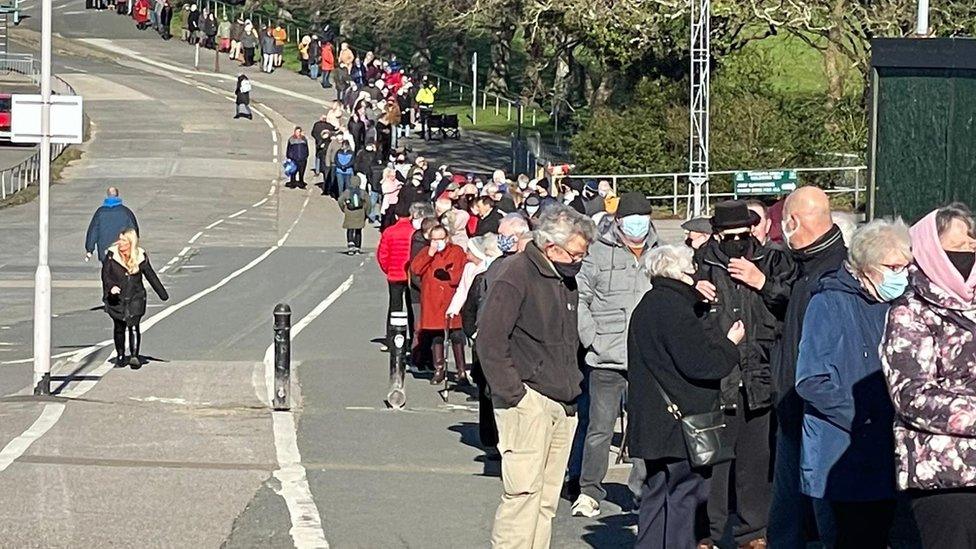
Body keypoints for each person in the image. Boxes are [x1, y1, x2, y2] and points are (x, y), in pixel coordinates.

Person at [478, 205, 596, 548]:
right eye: (576, 253)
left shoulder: (564, 279)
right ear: (550, 247)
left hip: (563, 400)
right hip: (528, 400)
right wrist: (516, 395)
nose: (580, 260)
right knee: (522, 496)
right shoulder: (515, 275)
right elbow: (490, 340)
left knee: (545, 501)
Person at [793, 218, 911, 549]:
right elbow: (810, 380)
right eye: (892, 266)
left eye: (905, 266)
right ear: (866, 265)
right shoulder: (829, 302)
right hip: (843, 451)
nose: (900, 274)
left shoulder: (895, 305)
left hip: (887, 447)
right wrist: (860, 417)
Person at [693, 200, 795, 549]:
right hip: (717, 372)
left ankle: (754, 530)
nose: (737, 241)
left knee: (755, 459)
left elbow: (791, 301)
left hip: (759, 371)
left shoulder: (773, 259)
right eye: (729, 235)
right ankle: (710, 531)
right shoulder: (702, 262)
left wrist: (762, 282)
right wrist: (693, 290)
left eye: (743, 233)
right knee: (715, 460)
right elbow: (681, 310)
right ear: (717, 234)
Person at [627, 244, 743, 549]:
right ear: (677, 272)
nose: (695, 273)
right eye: (691, 268)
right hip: (681, 424)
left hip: (653, 422)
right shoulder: (675, 308)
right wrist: (730, 344)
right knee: (685, 499)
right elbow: (702, 364)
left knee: (655, 494)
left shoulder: (647, 305)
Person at [883, 203, 976, 549]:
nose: (969, 254)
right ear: (933, 254)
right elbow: (912, 395)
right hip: (947, 476)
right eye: (958, 249)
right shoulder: (910, 312)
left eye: (973, 247)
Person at [768, 186, 846, 548]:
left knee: (825, 514)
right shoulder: (805, 268)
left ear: (792, 222)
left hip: (818, 412)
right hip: (792, 406)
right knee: (789, 515)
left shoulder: (834, 273)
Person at [572, 193, 657, 518]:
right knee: (599, 429)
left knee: (643, 431)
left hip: (646, 360)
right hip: (604, 358)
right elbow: (581, 296)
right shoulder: (597, 251)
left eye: (644, 216)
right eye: (631, 217)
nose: (638, 223)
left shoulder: (659, 251)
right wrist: (591, 338)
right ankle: (589, 490)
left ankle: (641, 493)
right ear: (618, 221)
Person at [101, 229, 168, 368]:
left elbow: (150, 275)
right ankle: (120, 355)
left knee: (133, 324)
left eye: (124, 240)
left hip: (135, 296)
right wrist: (111, 287)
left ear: (131, 242)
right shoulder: (111, 255)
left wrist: (162, 294)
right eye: (119, 239)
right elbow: (105, 275)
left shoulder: (140, 256)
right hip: (117, 298)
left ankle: (134, 356)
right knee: (119, 326)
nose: (120, 243)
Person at [411, 224, 468, 385]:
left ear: (447, 238)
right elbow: (415, 269)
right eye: (433, 239)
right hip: (432, 300)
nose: (437, 243)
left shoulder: (456, 251)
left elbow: (463, 272)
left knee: (456, 334)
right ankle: (439, 369)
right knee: (436, 335)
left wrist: (449, 275)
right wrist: (429, 254)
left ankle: (461, 371)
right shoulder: (426, 252)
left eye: (440, 239)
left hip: (450, 299)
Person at [377, 201, 417, 346]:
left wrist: (387, 268)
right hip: (411, 275)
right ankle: (413, 339)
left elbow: (382, 254)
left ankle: (392, 338)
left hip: (394, 274)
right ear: (411, 216)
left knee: (394, 307)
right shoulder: (414, 232)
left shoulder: (389, 232)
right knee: (412, 307)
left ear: (396, 215)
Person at [86, 187, 139, 262]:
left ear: (107, 195)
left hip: (104, 248)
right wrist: (134, 245)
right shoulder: (126, 212)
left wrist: (90, 249)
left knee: (107, 270)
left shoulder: (100, 212)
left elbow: (93, 231)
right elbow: (133, 229)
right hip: (122, 247)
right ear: (117, 195)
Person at [338, 175, 371, 255]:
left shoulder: (347, 192)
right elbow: (368, 203)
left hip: (349, 212)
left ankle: (350, 245)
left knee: (350, 229)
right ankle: (357, 248)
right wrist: (366, 212)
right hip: (360, 212)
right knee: (358, 230)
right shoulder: (363, 192)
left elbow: (340, 200)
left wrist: (344, 209)